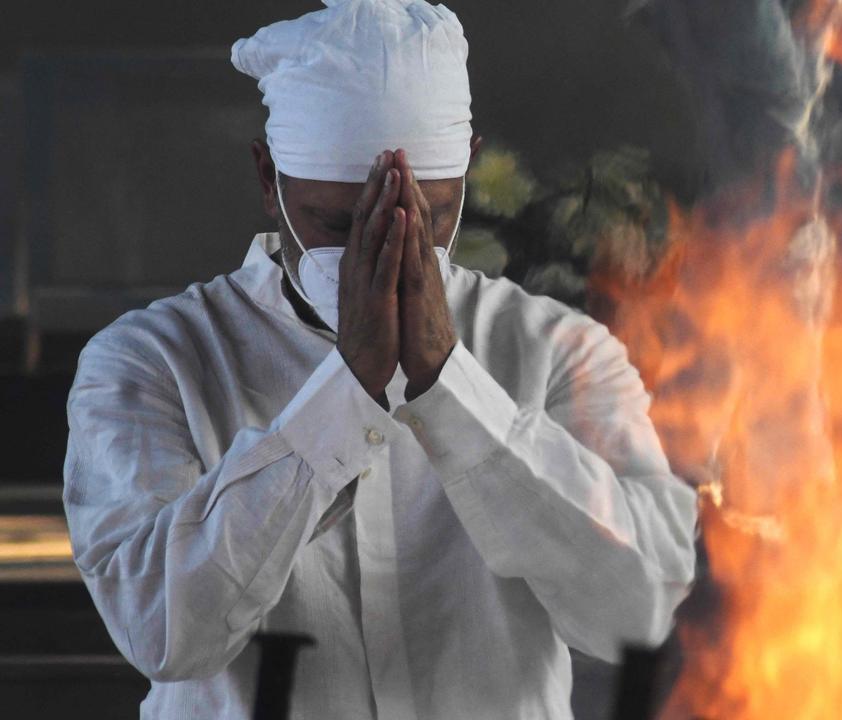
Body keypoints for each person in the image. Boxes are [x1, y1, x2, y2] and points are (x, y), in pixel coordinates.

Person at [61, 1, 698, 717]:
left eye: (427, 218)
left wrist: (449, 383)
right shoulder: (150, 362)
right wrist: (345, 396)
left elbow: (636, 615)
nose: (387, 248)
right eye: (339, 224)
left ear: (468, 177)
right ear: (270, 180)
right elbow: (165, 632)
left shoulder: (558, 351)